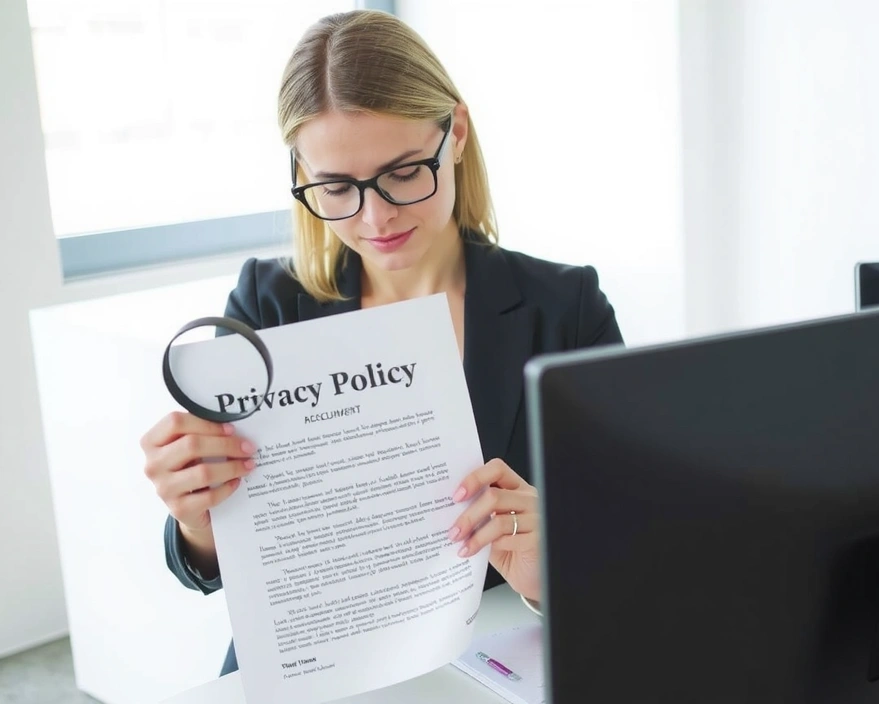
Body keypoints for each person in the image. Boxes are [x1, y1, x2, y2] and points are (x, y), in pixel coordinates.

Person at [140, 9, 623, 677]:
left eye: (401, 173)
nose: (376, 218)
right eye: (336, 186)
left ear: (455, 133)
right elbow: (213, 563)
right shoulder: (267, 306)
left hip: (489, 662)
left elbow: (627, 542)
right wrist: (195, 515)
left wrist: (547, 569)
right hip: (311, 667)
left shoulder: (565, 311)